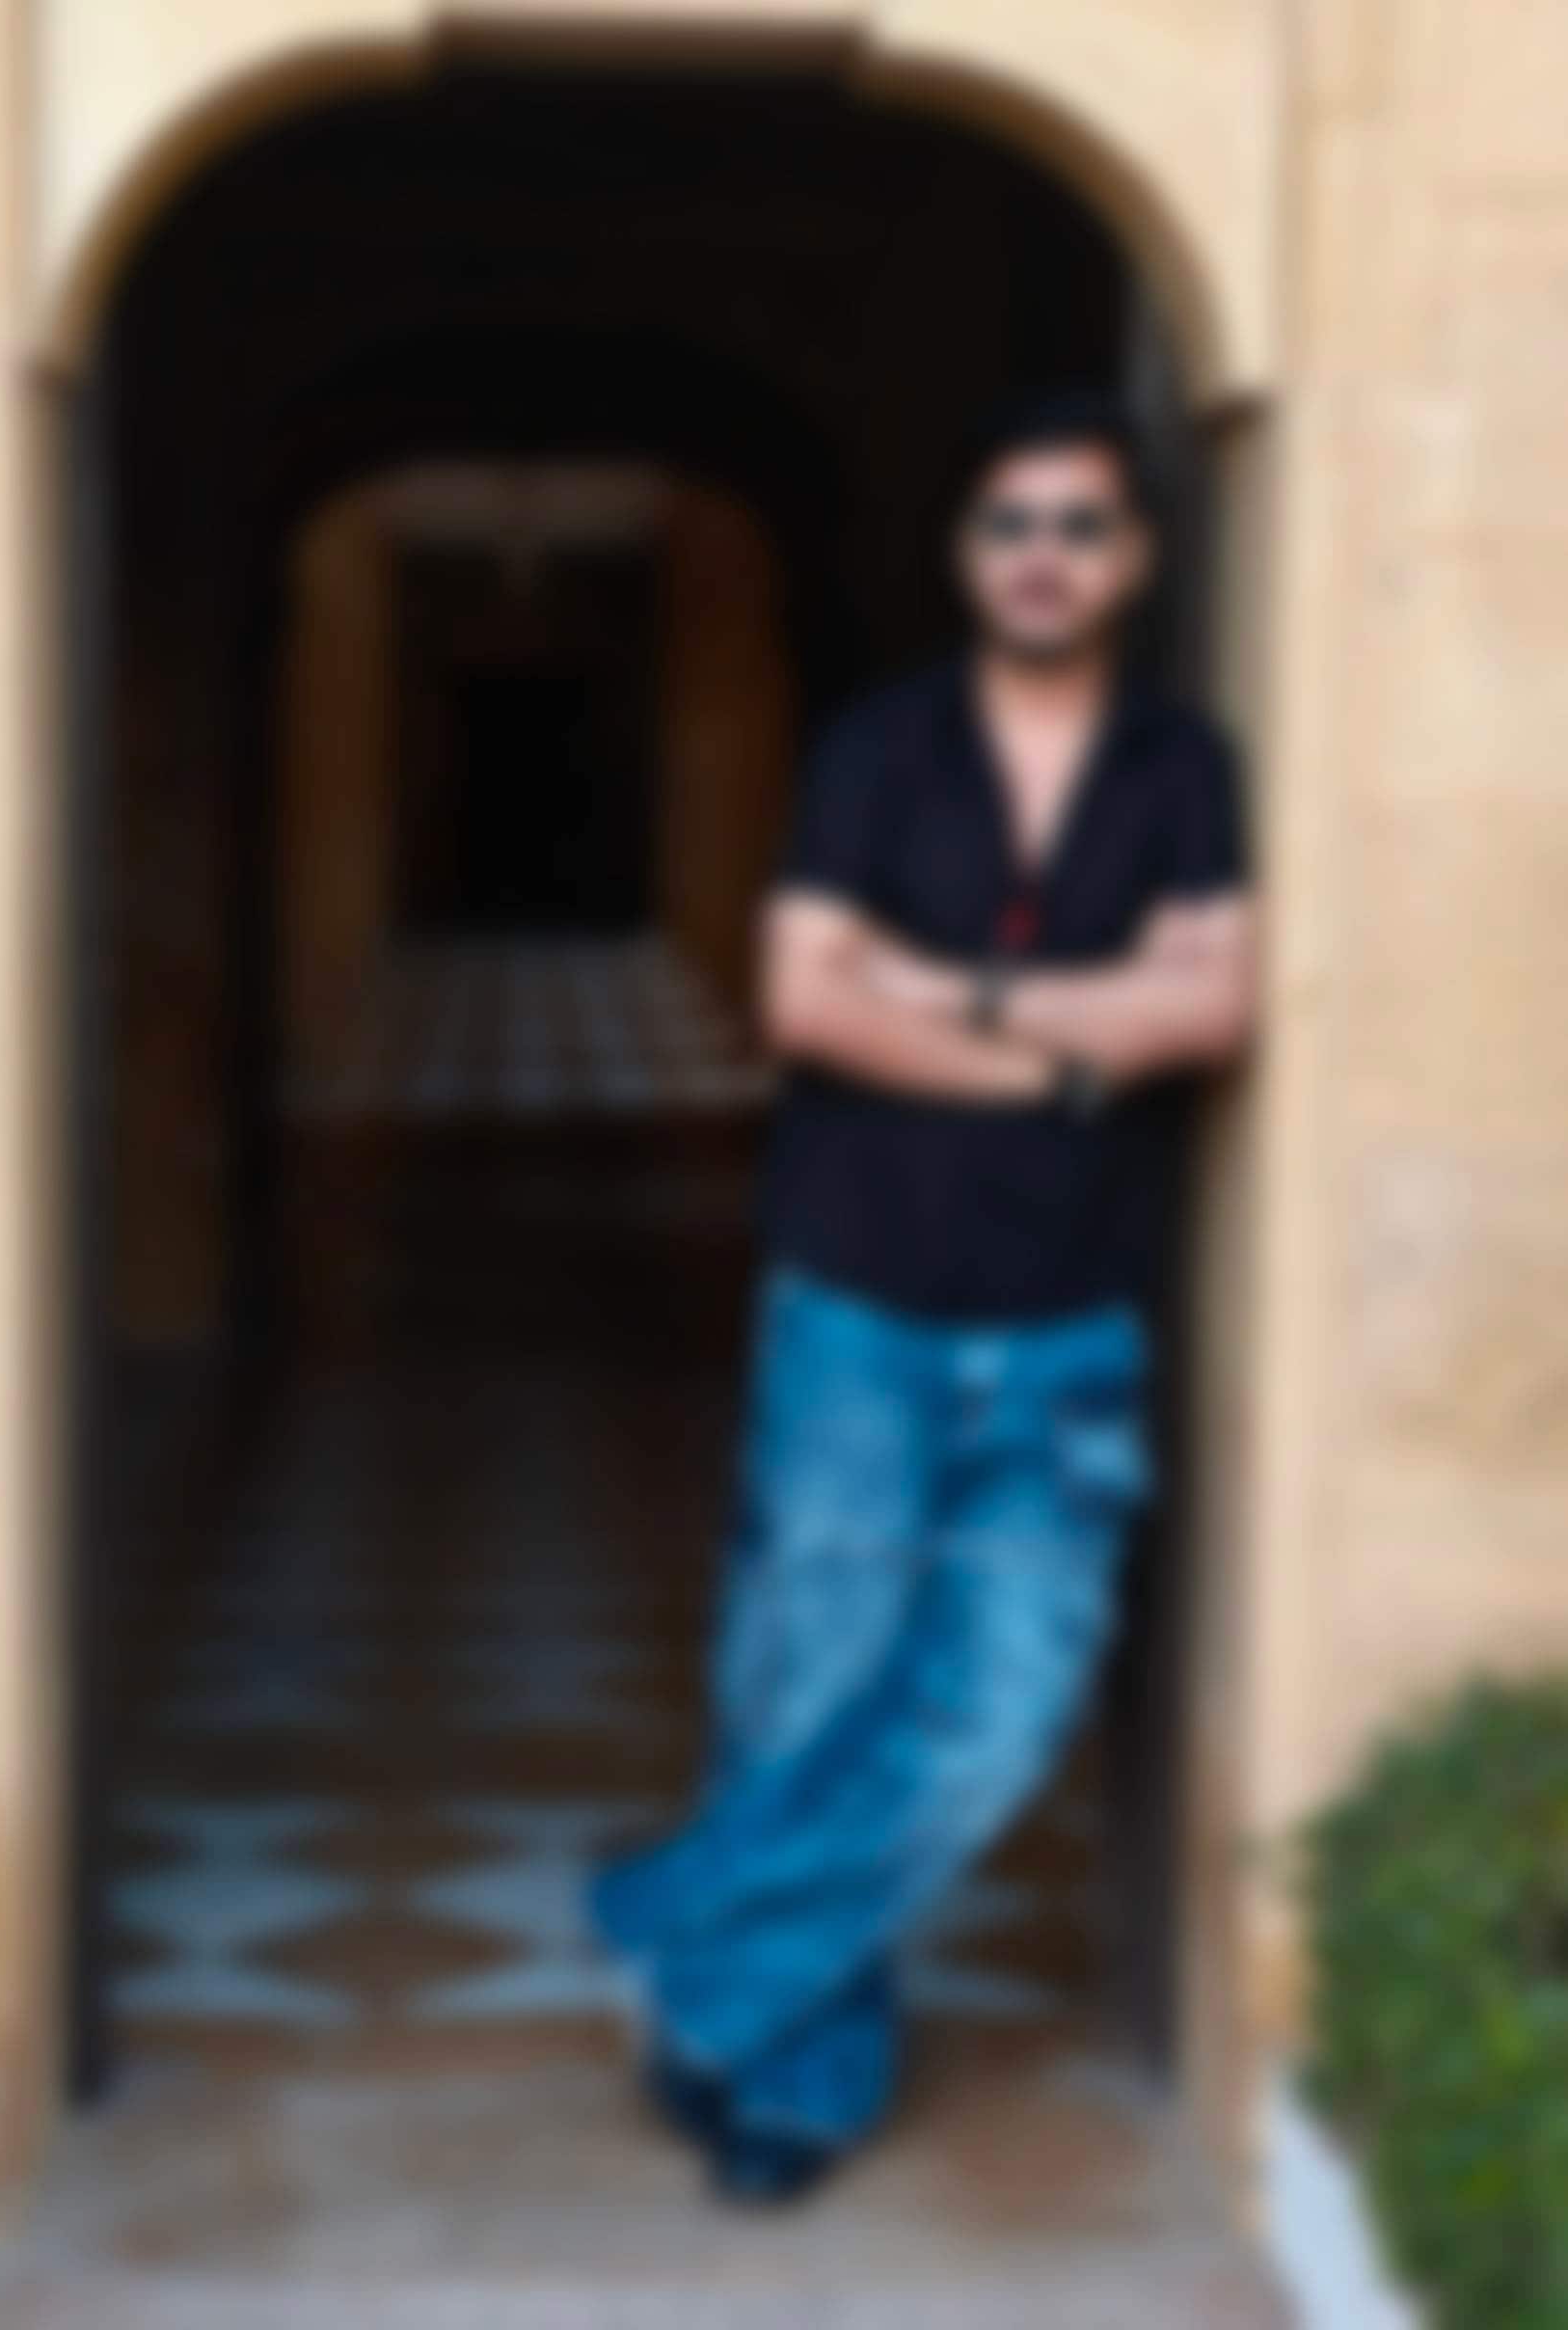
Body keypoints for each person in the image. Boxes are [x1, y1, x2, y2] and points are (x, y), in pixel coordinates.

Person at [589, 388, 1257, 2204]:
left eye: (1080, 525)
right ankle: (791, 2084)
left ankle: (676, 1931)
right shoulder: (877, 750)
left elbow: (1214, 1004)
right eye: (1010, 523)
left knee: (999, 1715)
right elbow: (806, 1001)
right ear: (967, 554)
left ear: (1135, 557)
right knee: (812, 1689)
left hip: (1071, 1317)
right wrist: (1073, 1047)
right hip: (860, 1298)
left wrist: (938, 988)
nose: (1044, 555)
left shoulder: (1184, 767)